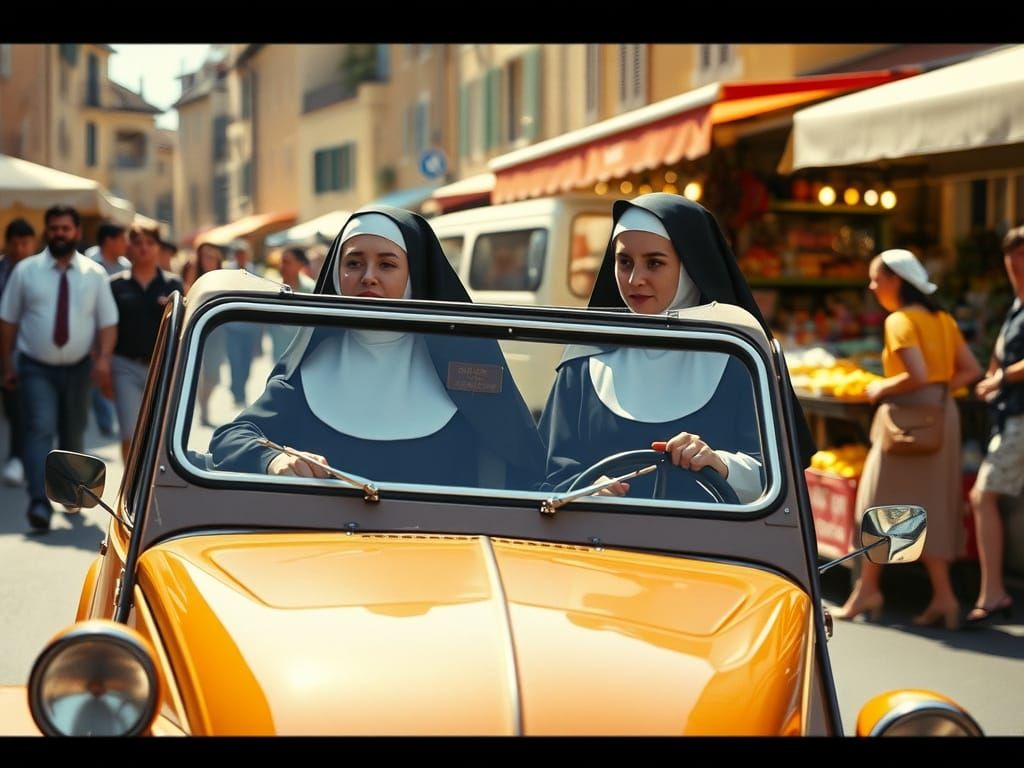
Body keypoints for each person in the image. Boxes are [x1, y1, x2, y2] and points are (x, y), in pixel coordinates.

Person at [210, 206, 544, 489]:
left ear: (414, 276)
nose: (368, 277)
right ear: (339, 275)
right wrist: (273, 460)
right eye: (354, 264)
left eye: (387, 264)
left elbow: (526, 466)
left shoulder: (466, 372)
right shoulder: (312, 367)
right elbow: (232, 438)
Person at [538, 194, 773, 503]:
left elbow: (774, 483)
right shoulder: (583, 361)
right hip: (598, 545)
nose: (635, 279)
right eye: (624, 262)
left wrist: (720, 463)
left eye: (654, 263)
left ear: (690, 267)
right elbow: (547, 476)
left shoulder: (739, 359)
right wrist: (586, 488)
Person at [834, 249, 982, 629]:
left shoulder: (899, 321)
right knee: (934, 504)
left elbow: (914, 373)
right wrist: (938, 392)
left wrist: (880, 388)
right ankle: (944, 598)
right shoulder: (943, 319)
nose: (871, 286)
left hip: (903, 423)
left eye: (876, 279)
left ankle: (868, 590)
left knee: (877, 500)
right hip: (940, 420)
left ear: (895, 280)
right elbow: (971, 370)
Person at [0, 205, 119, 531]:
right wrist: (6, 363)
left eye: (65, 229)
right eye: (54, 228)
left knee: (72, 432)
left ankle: (69, 494)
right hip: (35, 367)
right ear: (46, 232)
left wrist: (104, 360)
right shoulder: (27, 271)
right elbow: (7, 320)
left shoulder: (94, 275)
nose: (59, 234)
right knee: (40, 428)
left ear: (77, 232)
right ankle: (38, 502)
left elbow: (107, 322)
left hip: (80, 369)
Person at [966, 226, 1024, 624]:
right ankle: (994, 590)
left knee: (983, 495)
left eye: (1020, 259)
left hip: (1020, 414)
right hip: (1008, 413)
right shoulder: (1016, 304)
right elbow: (1001, 356)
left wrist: (1000, 379)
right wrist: (992, 378)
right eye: (1011, 259)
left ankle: (993, 592)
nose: (1015, 266)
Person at [109, 222, 184, 461]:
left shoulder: (173, 285)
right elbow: (107, 328)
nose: (144, 248)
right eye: (138, 243)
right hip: (125, 366)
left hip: (162, 367)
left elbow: (182, 328)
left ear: (158, 247)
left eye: (150, 243)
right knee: (129, 434)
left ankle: (151, 492)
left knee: (158, 436)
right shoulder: (115, 285)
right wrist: (101, 364)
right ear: (129, 247)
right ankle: (129, 493)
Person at [0, 218, 37, 486]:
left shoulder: (38, 272)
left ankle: (18, 457)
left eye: (25, 243)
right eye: (16, 243)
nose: (20, 248)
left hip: (22, 350)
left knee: (19, 408)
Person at [87, 222, 129, 438]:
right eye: (123, 239)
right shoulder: (88, 265)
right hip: (92, 330)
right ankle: (104, 419)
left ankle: (107, 417)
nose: (126, 244)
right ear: (109, 241)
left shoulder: (126, 266)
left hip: (117, 331)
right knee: (97, 373)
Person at [222, 239, 264, 405]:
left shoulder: (256, 272)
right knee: (235, 361)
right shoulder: (227, 272)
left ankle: (240, 387)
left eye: (243, 253)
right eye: (238, 253)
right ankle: (237, 391)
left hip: (251, 327)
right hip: (232, 326)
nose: (240, 256)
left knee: (247, 363)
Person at [267, 247, 316, 362]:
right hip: (278, 354)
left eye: (287, 262)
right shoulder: (272, 287)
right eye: (282, 262)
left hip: (303, 356)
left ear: (300, 264)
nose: (282, 266)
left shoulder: (311, 288)